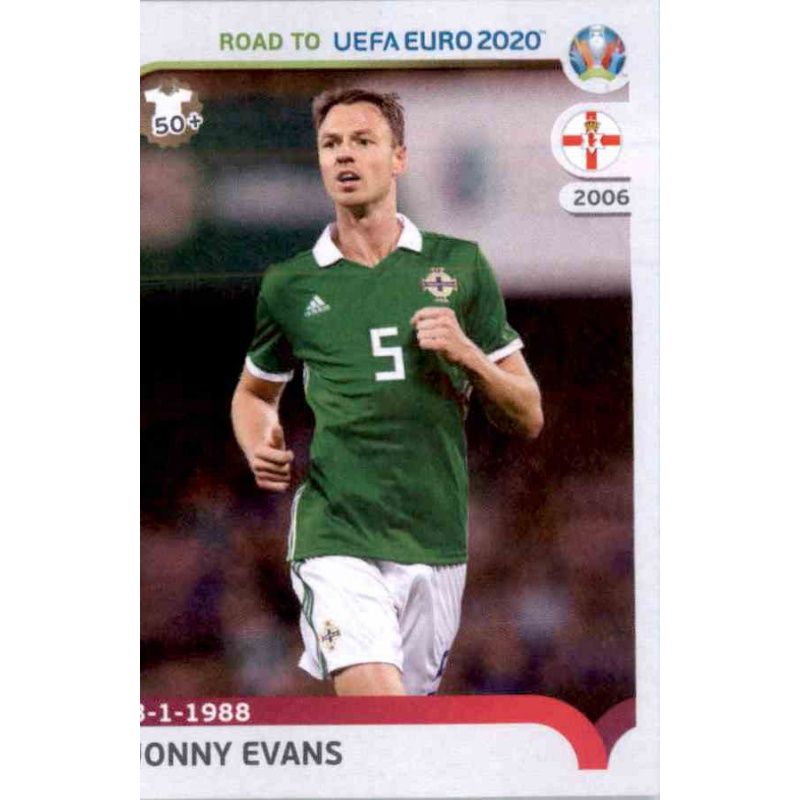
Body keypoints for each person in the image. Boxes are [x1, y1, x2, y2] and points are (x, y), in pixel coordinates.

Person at [231, 87, 543, 696]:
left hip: (436, 538)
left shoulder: (461, 266)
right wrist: (257, 440)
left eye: (362, 141)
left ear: (398, 157)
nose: (344, 155)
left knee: (406, 725)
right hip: (335, 533)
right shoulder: (290, 284)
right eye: (330, 144)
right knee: (379, 706)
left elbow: (528, 414)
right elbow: (254, 393)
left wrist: (468, 355)